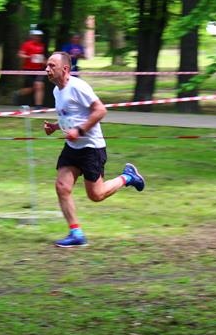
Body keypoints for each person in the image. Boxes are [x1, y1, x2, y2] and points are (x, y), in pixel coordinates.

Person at [43, 51, 145, 248]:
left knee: (96, 195)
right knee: (62, 187)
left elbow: (100, 110)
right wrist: (55, 127)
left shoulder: (78, 87)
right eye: (47, 65)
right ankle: (76, 234)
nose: (47, 69)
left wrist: (80, 130)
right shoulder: (57, 91)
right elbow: (70, 116)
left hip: (92, 148)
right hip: (73, 148)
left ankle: (128, 177)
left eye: (51, 66)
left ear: (65, 69)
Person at [16, 28, 46, 108]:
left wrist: (44, 61)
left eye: (39, 36)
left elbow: (42, 57)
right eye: (36, 36)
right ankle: (18, 94)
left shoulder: (41, 45)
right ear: (32, 36)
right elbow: (20, 54)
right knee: (31, 88)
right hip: (28, 69)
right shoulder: (26, 44)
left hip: (39, 69)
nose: (38, 37)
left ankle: (38, 106)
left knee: (39, 85)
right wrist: (29, 57)